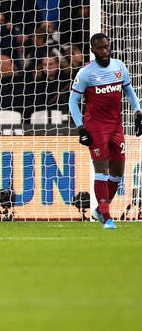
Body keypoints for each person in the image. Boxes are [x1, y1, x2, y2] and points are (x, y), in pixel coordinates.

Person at [69, 33, 142, 230]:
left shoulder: (119, 66)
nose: (104, 51)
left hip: (116, 126)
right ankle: (107, 218)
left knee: (117, 173)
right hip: (96, 127)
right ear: (92, 50)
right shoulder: (86, 73)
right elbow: (73, 101)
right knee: (101, 170)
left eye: (106, 46)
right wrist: (81, 129)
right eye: (99, 48)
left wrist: (138, 112)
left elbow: (129, 90)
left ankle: (99, 211)